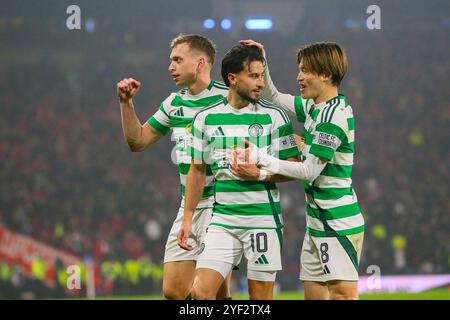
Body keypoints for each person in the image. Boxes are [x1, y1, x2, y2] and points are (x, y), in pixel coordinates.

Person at [233, 40, 365, 300]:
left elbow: (308, 172)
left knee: (342, 295)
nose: (299, 76)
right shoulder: (315, 108)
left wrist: (261, 158)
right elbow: (274, 97)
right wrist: (264, 59)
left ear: (326, 75)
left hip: (337, 222)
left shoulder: (333, 117)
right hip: (317, 223)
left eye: (305, 70)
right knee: (313, 295)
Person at [177, 45, 299, 300]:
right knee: (200, 295)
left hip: (262, 220)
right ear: (232, 79)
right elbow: (197, 170)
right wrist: (188, 218)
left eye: (262, 75)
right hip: (223, 220)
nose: (260, 82)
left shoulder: (274, 116)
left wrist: (260, 173)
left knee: (260, 301)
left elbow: (294, 167)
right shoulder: (205, 118)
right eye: (254, 76)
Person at [117, 34, 232, 300]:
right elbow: (138, 141)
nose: (171, 67)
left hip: (223, 204)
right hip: (189, 205)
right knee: (173, 292)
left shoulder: (228, 99)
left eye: (178, 60)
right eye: (171, 60)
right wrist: (126, 104)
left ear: (200, 63)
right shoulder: (174, 103)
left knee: (206, 292)